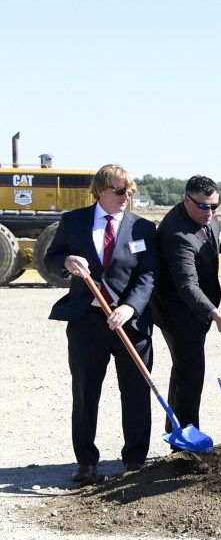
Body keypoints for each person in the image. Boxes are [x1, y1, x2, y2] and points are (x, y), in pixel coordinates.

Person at [46, 165, 159, 482]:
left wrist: (130, 307)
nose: (127, 197)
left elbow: (149, 275)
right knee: (85, 392)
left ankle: (135, 459)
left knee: (136, 392)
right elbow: (51, 258)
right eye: (120, 191)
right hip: (87, 321)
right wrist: (66, 262)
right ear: (100, 191)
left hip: (130, 324)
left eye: (130, 191)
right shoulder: (74, 221)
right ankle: (85, 460)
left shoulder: (143, 229)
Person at [150, 175, 221, 432]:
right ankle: (187, 442)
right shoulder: (176, 234)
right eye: (204, 206)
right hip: (178, 314)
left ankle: (176, 431)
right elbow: (186, 284)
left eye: (216, 205)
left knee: (183, 370)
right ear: (186, 199)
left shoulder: (206, 215)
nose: (211, 211)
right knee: (191, 374)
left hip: (198, 311)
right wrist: (214, 313)